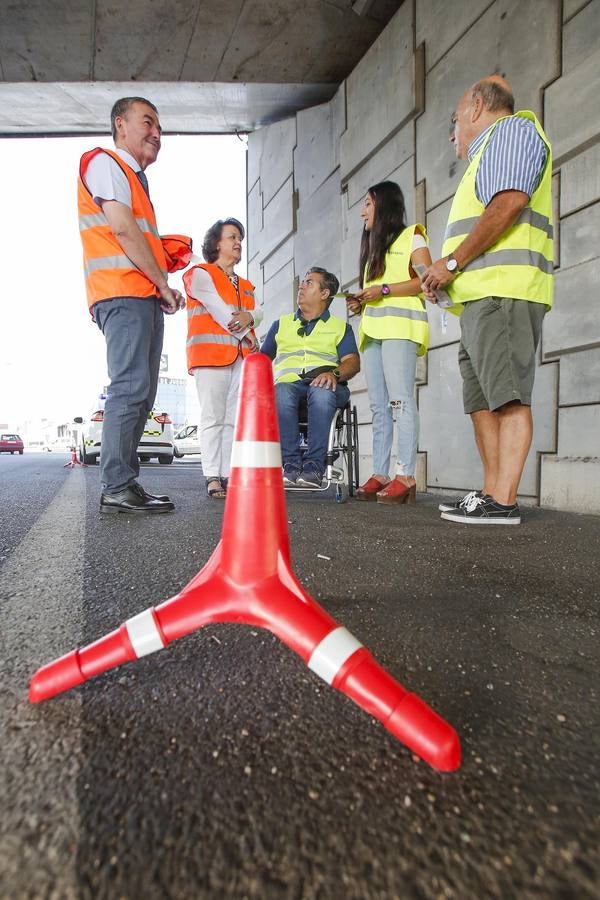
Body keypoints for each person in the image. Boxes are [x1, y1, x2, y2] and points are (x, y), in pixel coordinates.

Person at [422, 76, 553, 525]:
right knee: (481, 399)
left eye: (455, 119)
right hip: (481, 299)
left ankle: (504, 498)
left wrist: (452, 264)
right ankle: (491, 493)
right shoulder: (485, 156)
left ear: (477, 106)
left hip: (504, 292)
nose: (453, 131)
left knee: (508, 397)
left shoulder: (512, 132)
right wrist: (447, 271)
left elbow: (511, 200)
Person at [78, 96, 188, 514]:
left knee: (142, 390)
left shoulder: (136, 179)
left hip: (140, 293)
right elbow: (123, 231)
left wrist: (163, 272)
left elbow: (135, 234)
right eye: (148, 122)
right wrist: (162, 283)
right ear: (120, 124)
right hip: (121, 291)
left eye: (159, 127)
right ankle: (117, 484)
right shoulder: (106, 161)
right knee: (129, 386)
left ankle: (126, 481)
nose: (157, 134)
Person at [347, 181, 431, 505]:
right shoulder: (372, 249)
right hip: (373, 331)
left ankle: (406, 474)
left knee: (400, 402)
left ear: (383, 205)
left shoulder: (414, 236)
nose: (362, 212)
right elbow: (375, 292)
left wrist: (381, 291)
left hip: (401, 329)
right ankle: (381, 472)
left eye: (367, 204)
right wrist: (361, 302)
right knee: (378, 407)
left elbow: (426, 279)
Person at [183, 219, 262, 499]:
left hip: (240, 358)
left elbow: (258, 312)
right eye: (232, 237)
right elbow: (217, 309)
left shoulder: (247, 285)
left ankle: (228, 474)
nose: (238, 242)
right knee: (212, 417)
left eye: (239, 237)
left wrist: (252, 318)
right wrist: (248, 335)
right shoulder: (199, 273)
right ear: (217, 243)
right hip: (210, 356)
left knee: (231, 418)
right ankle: (212, 475)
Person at [261, 268, 360, 487]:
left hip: (328, 385)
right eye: (302, 282)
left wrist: (333, 373)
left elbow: (353, 362)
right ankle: (291, 466)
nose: (302, 286)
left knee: (322, 392)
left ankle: (315, 468)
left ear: (324, 294)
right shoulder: (280, 325)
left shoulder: (339, 327)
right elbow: (261, 361)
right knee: (281, 391)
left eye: (309, 283)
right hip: (289, 388)